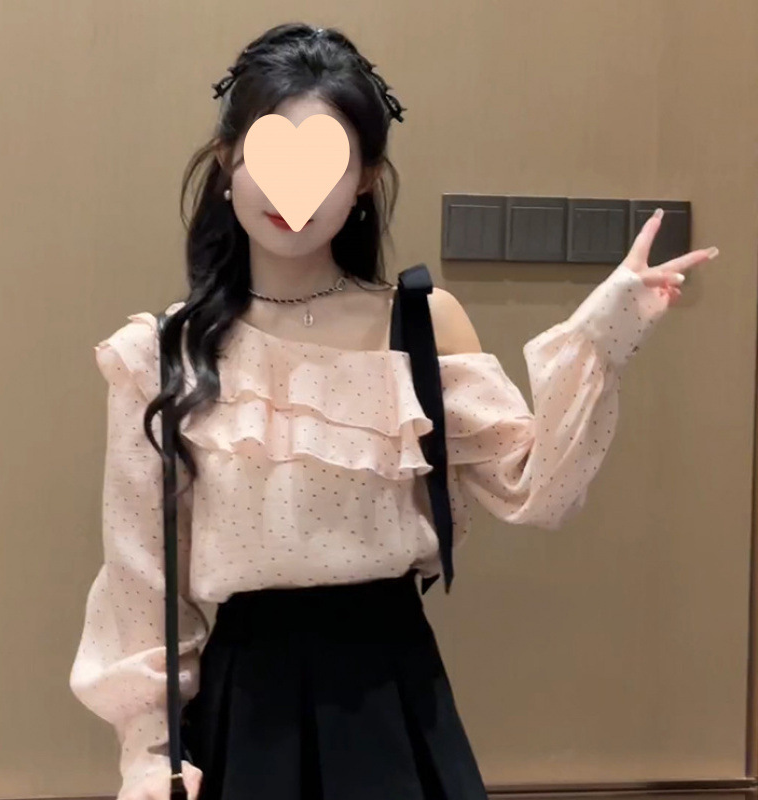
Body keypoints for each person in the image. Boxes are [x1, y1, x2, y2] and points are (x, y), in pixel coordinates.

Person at [68, 21, 719, 800]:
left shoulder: (421, 324)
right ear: (226, 162)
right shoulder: (161, 353)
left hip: (393, 701)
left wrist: (603, 336)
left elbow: (536, 489)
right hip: (244, 714)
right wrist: (148, 750)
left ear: (366, 179)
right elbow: (141, 578)